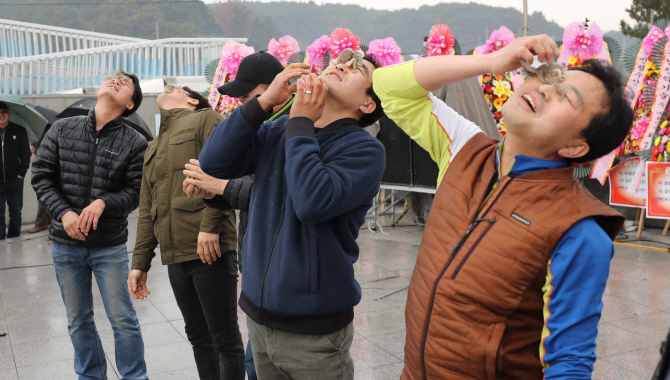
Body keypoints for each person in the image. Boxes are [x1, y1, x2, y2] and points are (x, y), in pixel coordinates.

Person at [373, 35, 634, 379]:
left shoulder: (579, 230)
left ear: (574, 147)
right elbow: (388, 86)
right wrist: (491, 62)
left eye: (565, 97)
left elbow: (569, 363)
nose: (543, 89)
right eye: (550, 79)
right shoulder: (463, 149)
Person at [197, 50, 386, 379]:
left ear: (367, 104)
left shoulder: (364, 149)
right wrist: (263, 103)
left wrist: (300, 124)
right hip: (257, 317)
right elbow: (213, 162)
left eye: (358, 68)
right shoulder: (279, 129)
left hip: (314, 334)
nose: (340, 64)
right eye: (338, 62)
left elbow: (313, 201)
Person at [31, 71, 148, 379]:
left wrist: (103, 202)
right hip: (65, 244)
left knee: (122, 319)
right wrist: (63, 213)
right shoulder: (61, 128)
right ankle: (90, 376)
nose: (115, 81)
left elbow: (136, 192)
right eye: (112, 78)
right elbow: (41, 176)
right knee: (78, 319)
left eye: (124, 83)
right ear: (98, 91)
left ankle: (135, 376)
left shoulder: (135, 142)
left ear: (130, 103)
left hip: (108, 245)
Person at [182, 51, 289, 380]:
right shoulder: (262, 122)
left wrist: (219, 189)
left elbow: (281, 194)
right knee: (251, 360)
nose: (244, 105)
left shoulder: (293, 125)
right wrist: (214, 194)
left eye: (248, 97)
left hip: (287, 276)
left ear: (272, 87)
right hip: (258, 270)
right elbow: (219, 168)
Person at [128, 84, 243, 380]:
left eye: (177, 87)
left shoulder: (206, 118)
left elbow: (224, 170)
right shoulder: (153, 145)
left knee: (224, 339)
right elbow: (146, 208)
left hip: (209, 248)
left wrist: (210, 225)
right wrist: (140, 263)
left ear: (192, 100)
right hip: (175, 254)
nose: (168, 87)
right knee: (198, 337)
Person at [0, 102, 31, 239]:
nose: (1, 115)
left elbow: (26, 153)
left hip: (15, 179)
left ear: (9, 113)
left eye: (4, 112)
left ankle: (14, 239)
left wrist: (21, 174)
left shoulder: (19, 130)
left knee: (15, 211)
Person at [29, 123, 53, 233]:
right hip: (43, 164)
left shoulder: (47, 127)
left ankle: (41, 222)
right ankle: (46, 220)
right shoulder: (41, 128)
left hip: (47, 165)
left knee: (44, 193)